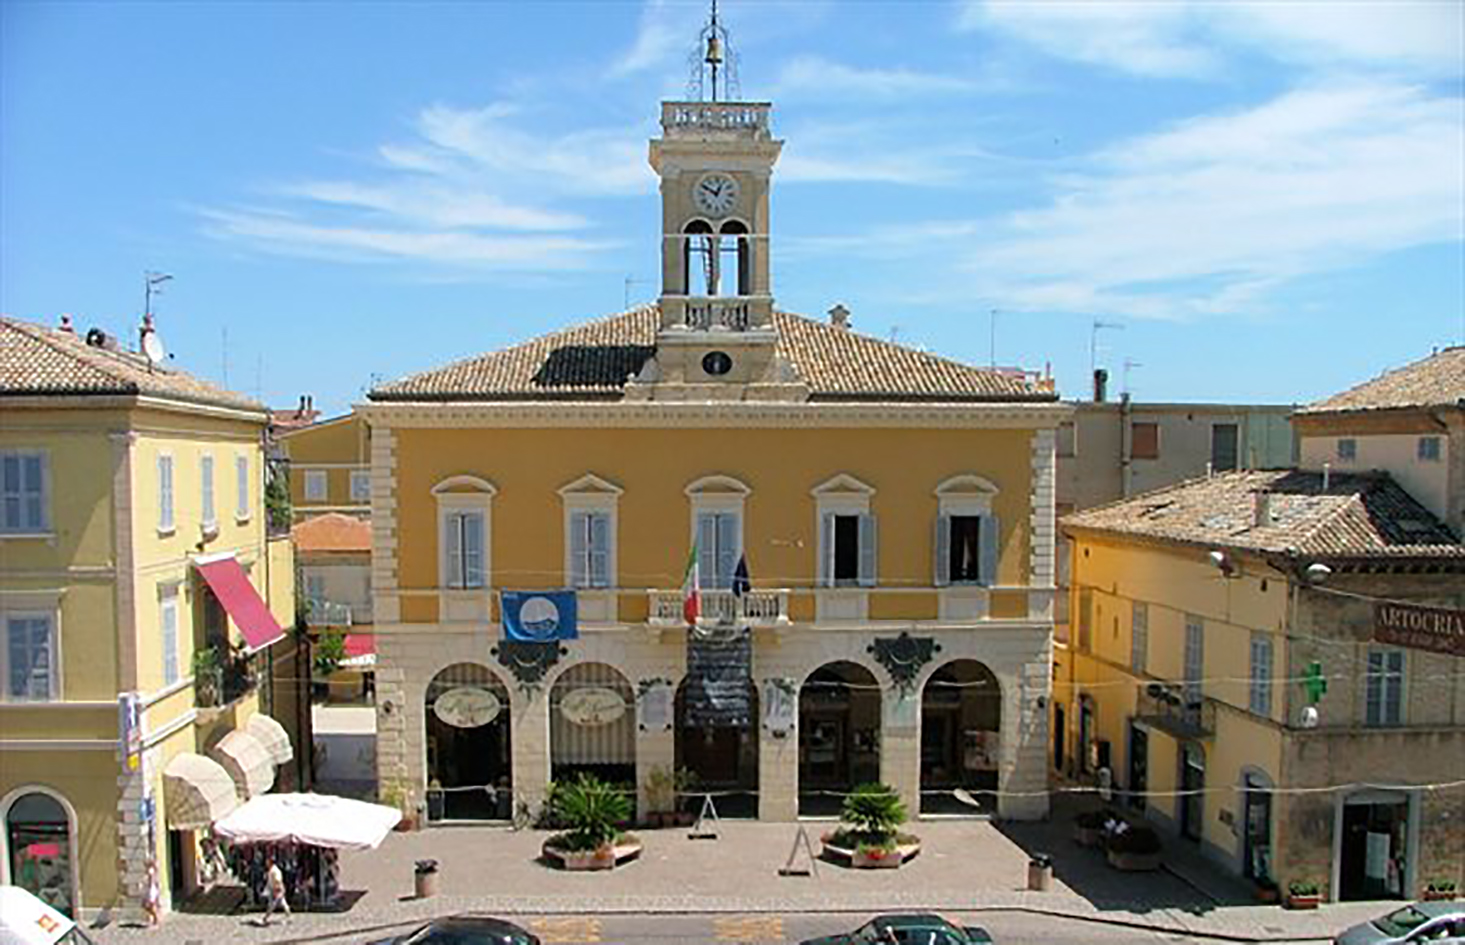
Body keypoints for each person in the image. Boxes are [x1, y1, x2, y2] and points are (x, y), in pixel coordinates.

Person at [263, 855, 290, 926]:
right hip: (274, 889)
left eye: (268, 861)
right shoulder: (271, 870)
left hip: (277, 889)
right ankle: (288, 916)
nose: (266, 862)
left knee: (273, 904)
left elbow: (278, 880)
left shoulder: (275, 870)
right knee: (282, 903)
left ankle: (266, 917)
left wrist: (276, 889)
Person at [142, 862, 161, 928]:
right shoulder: (149, 871)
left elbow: (151, 881)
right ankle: (154, 919)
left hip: (151, 890)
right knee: (146, 905)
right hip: (149, 889)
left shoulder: (151, 871)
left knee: (150, 905)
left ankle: (156, 919)